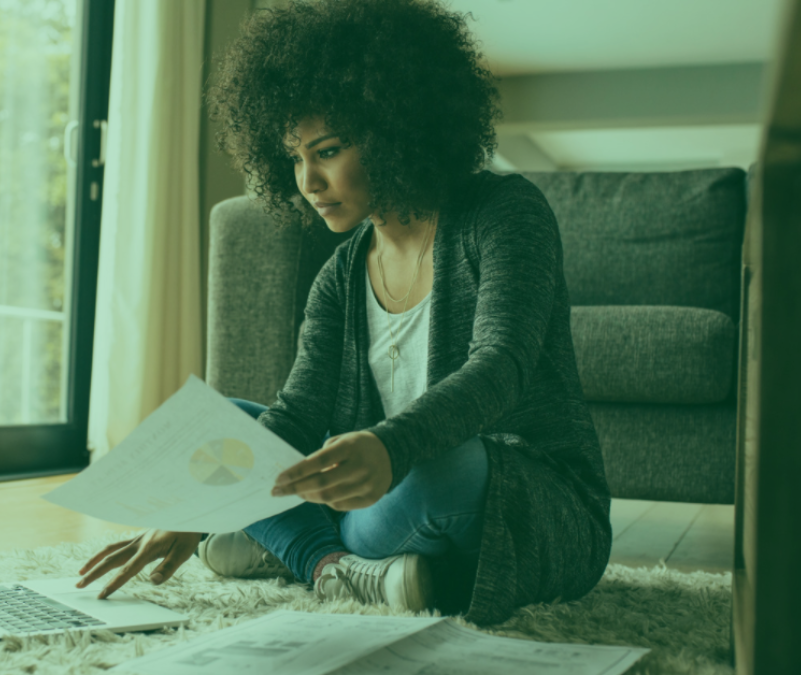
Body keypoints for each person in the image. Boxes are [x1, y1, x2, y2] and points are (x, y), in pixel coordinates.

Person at [75, 0, 612, 626]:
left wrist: (391, 446)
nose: (307, 180)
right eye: (294, 158)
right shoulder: (340, 273)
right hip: (380, 504)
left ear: (395, 126)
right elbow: (298, 418)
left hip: (520, 498)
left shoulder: (504, 212)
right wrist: (193, 509)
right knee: (227, 430)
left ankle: (300, 545)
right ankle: (343, 571)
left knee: (437, 466)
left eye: (326, 151)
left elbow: (503, 365)